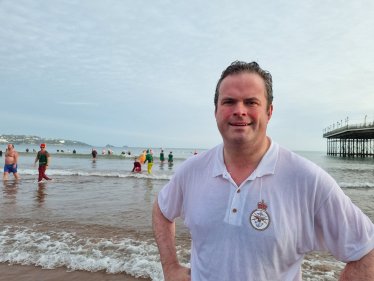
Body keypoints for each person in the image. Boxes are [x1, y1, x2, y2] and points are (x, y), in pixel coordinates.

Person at [152, 61, 374, 281]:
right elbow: (161, 210)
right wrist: (171, 268)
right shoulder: (192, 169)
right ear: (216, 111)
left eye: (251, 102)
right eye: (229, 102)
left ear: (269, 112)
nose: (239, 111)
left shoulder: (307, 179)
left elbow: (367, 249)